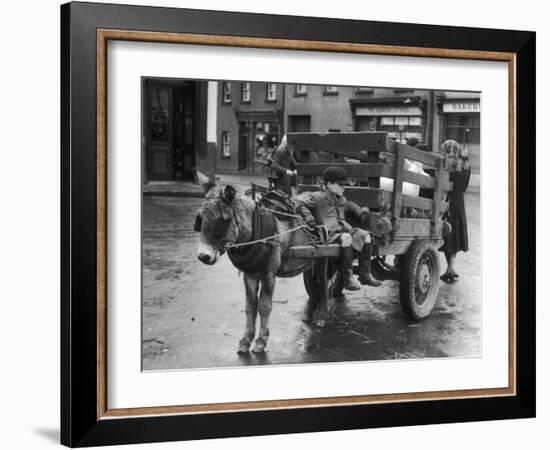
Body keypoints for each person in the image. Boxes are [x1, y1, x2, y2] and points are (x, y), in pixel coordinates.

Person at [297, 167, 382, 290]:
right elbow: (301, 204)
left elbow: (350, 205)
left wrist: (361, 213)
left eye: (344, 184)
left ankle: (366, 274)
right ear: (329, 185)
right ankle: (348, 278)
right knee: (346, 238)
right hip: (328, 233)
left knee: (366, 236)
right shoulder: (318, 198)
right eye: (340, 184)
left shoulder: (341, 199)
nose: (344, 187)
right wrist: (310, 219)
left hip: (344, 230)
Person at [439, 139, 471, 283]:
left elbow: (442, 183)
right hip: (459, 203)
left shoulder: (446, 164)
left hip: (448, 202)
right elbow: (465, 186)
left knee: (448, 237)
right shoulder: (465, 164)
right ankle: (450, 268)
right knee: (455, 237)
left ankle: (450, 268)